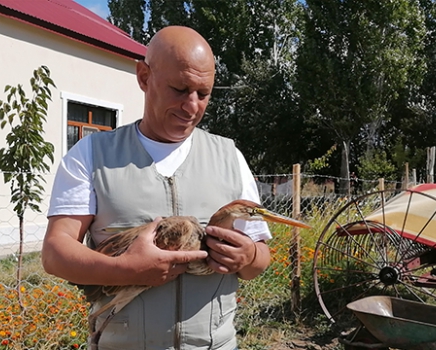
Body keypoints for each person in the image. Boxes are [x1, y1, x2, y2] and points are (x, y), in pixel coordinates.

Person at [42, 25, 272, 350]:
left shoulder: (230, 157)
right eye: (179, 89)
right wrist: (125, 269)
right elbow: (55, 253)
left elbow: (260, 260)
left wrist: (247, 256)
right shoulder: (91, 155)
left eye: (203, 94)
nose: (192, 107)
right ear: (144, 76)